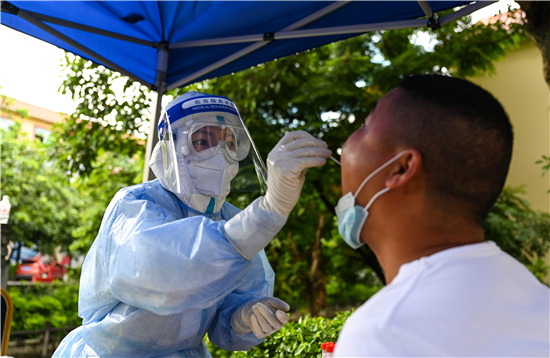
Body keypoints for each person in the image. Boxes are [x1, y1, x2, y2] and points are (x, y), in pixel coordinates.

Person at [53, 91, 331, 358]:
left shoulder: (231, 221)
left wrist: (244, 316)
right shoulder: (135, 205)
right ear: (171, 149)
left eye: (229, 143)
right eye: (203, 141)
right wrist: (270, 209)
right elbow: (163, 272)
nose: (220, 154)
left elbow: (223, 320)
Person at [333, 75, 550, 357]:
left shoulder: (385, 333)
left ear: (401, 168)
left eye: (364, 126)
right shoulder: (535, 298)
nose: (347, 143)